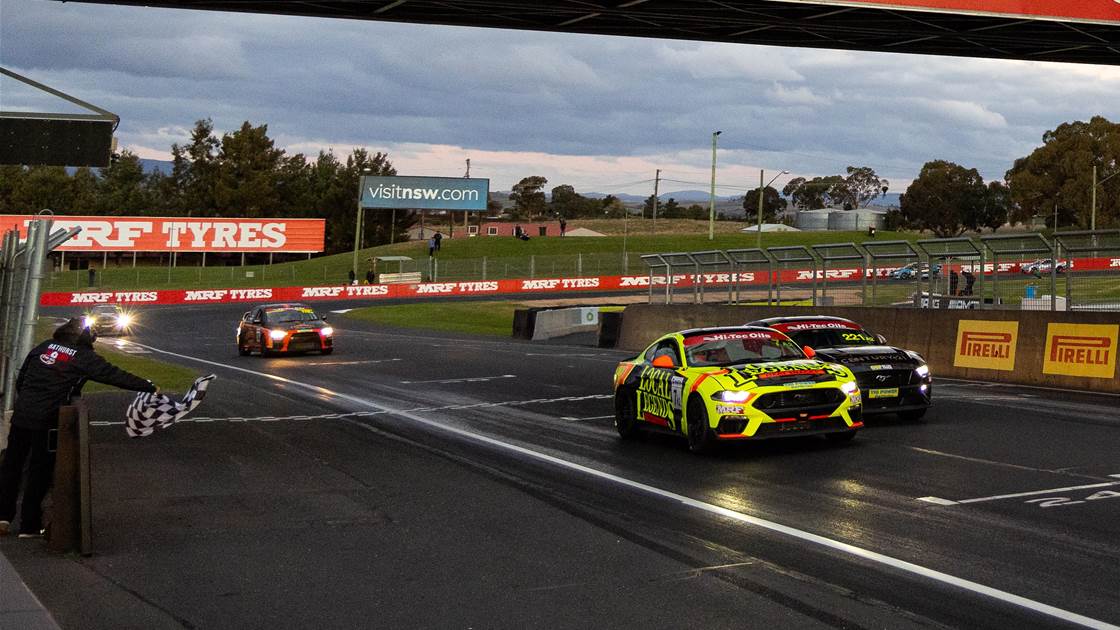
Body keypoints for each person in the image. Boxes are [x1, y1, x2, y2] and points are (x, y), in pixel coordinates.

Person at [0, 318, 157, 538]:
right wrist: (149, 386)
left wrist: (28, 400)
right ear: (84, 338)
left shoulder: (43, 346)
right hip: (49, 420)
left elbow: (22, 378)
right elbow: (114, 375)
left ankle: (3, 518)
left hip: (22, 416)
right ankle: (29, 526)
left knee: (12, 467)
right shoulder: (83, 358)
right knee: (39, 472)